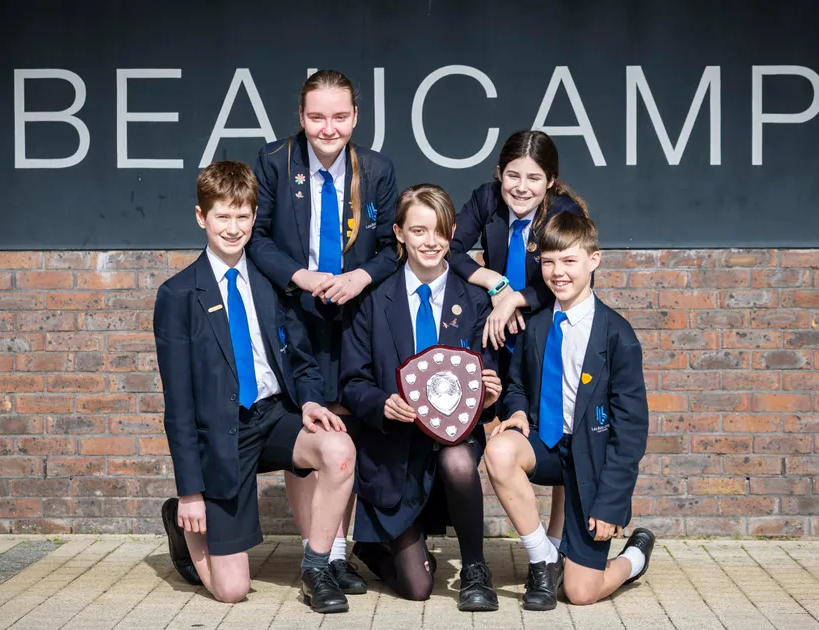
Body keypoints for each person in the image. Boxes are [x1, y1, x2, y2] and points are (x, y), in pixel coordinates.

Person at [155, 161, 356, 613]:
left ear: (254, 216)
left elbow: (301, 359)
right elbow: (178, 406)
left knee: (340, 450)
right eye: (222, 216)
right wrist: (190, 491)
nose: (233, 228)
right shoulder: (178, 295)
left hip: (273, 417)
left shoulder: (271, 282)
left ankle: (317, 566)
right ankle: (182, 520)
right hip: (221, 436)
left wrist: (309, 402)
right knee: (231, 590)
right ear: (201, 216)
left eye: (242, 216)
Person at [248, 69, 399, 593]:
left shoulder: (376, 169)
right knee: (308, 430)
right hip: (294, 311)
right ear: (301, 117)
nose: (327, 128)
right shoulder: (273, 162)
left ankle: (336, 552)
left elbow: (389, 248)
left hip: (354, 314)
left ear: (356, 117)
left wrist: (358, 277)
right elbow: (257, 238)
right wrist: (300, 276)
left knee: (346, 425)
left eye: (339, 117)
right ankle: (322, 553)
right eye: (316, 117)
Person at [340, 184, 503, 611]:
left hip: (452, 439)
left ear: (452, 235)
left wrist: (489, 396)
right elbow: (353, 382)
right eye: (418, 231)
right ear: (399, 232)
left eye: (441, 232)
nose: (431, 242)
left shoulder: (474, 301)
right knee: (417, 589)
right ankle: (374, 547)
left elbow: (489, 369)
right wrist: (381, 405)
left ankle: (474, 570)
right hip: (395, 449)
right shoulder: (373, 301)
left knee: (459, 457)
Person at [483, 211, 655, 610]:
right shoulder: (537, 325)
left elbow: (630, 433)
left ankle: (634, 558)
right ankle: (544, 557)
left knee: (580, 593)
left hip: (589, 461)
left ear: (593, 261)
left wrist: (612, 504)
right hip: (545, 444)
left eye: (569, 261)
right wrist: (518, 410)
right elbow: (518, 386)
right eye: (548, 261)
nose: (558, 272)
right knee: (498, 450)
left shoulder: (618, 336)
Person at [448, 129, 589, 550]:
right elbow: (450, 249)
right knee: (497, 409)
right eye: (513, 175)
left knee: (560, 427)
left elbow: (569, 279)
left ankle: (560, 538)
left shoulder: (562, 212)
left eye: (533, 177)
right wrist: (496, 285)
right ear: (499, 174)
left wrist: (518, 299)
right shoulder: (486, 199)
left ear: (550, 181)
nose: (521, 187)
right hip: (497, 321)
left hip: (545, 325)